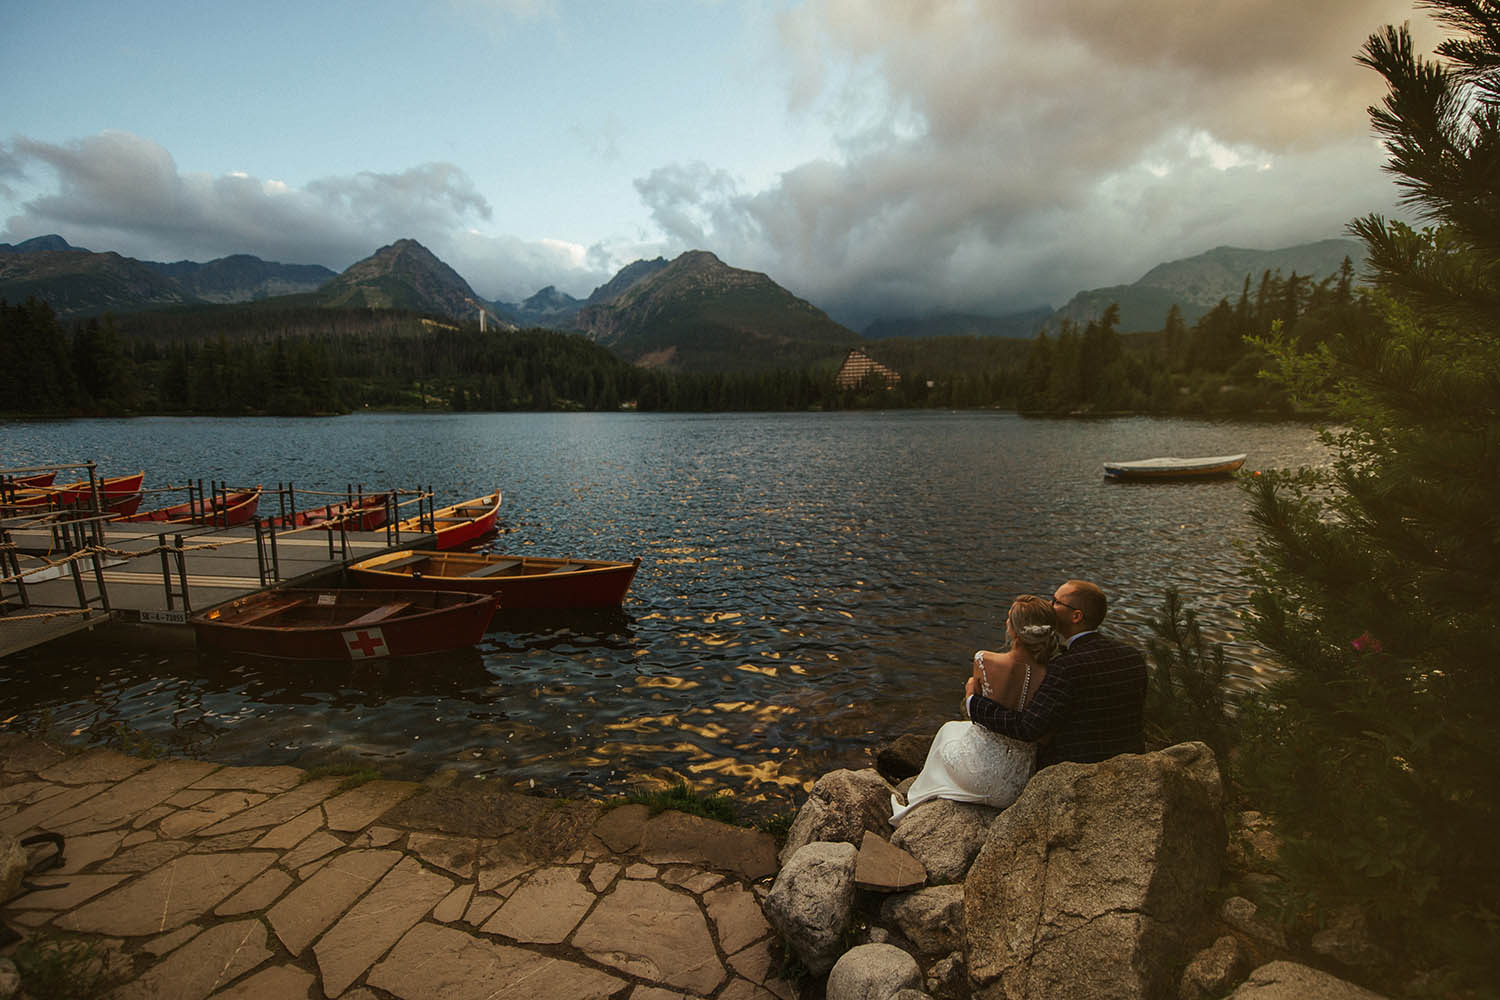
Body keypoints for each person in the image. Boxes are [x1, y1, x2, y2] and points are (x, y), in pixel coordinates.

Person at [890, 595, 1060, 825]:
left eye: (1009, 618)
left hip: (976, 775)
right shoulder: (1054, 673)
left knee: (947, 731)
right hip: (1016, 784)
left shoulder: (985, 660)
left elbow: (977, 710)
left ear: (1016, 632)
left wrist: (970, 689)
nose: (1006, 622)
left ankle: (912, 803)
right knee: (954, 731)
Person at [965, 578, 1147, 769]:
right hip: (1130, 762)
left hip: (1075, 768)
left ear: (1076, 616)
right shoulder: (1132, 656)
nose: (1050, 606)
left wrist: (974, 702)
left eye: (1056, 602)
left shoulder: (1066, 666)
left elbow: (1027, 728)